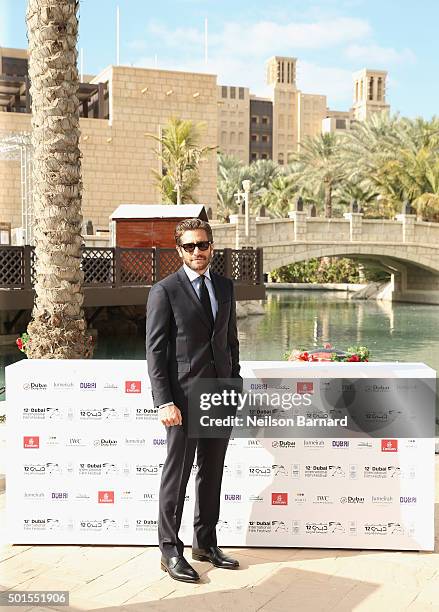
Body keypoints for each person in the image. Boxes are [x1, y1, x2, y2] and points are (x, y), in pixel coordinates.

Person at [146, 218, 242, 583]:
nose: (197, 252)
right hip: (183, 397)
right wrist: (163, 400)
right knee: (178, 474)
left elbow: (230, 341)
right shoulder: (164, 291)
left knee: (212, 472)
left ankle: (206, 542)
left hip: (220, 392)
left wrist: (235, 383)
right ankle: (170, 550)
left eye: (203, 245)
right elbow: (155, 351)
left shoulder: (225, 286)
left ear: (212, 246)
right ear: (178, 250)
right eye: (189, 246)